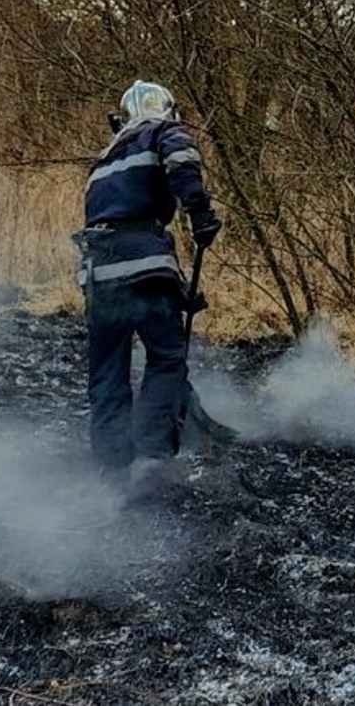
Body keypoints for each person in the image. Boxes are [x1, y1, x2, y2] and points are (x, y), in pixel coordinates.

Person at [74, 80, 221, 497]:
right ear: (165, 108)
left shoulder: (100, 162)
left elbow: (111, 220)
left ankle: (112, 468)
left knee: (106, 370)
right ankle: (152, 459)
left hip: (97, 275)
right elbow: (182, 160)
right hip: (144, 266)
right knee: (167, 358)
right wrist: (201, 216)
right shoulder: (161, 131)